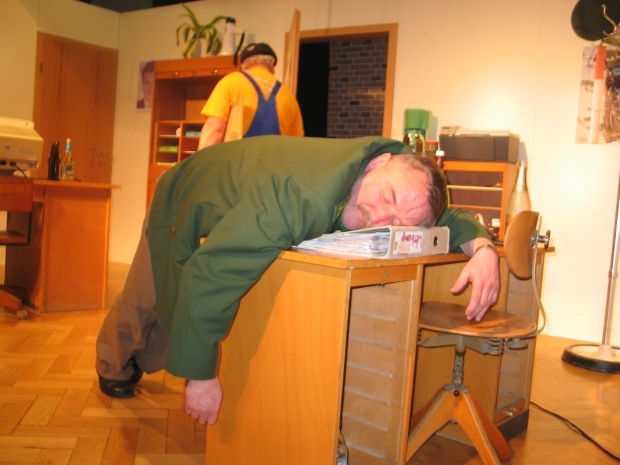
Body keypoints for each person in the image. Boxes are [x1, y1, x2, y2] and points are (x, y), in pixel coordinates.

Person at [95, 135, 499, 425]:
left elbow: (443, 216)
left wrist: (483, 250)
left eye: (397, 220)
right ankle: (111, 364)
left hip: (248, 195)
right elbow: (213, 271)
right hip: (187, 190)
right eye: (387, 199)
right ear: (378, 164)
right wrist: (200, 379)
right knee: (148, 293)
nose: (380, 218)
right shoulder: (301, 196)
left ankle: (141, 358)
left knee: (173, 304)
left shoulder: (398, 178)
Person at [198, 42, 304, 149]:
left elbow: (215, 128)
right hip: (274, 159)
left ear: (243, 64)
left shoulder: (232, 81)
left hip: (238, 158)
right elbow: (296, 145)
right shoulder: (288, 95)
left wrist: (201, 159)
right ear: (271, 62)